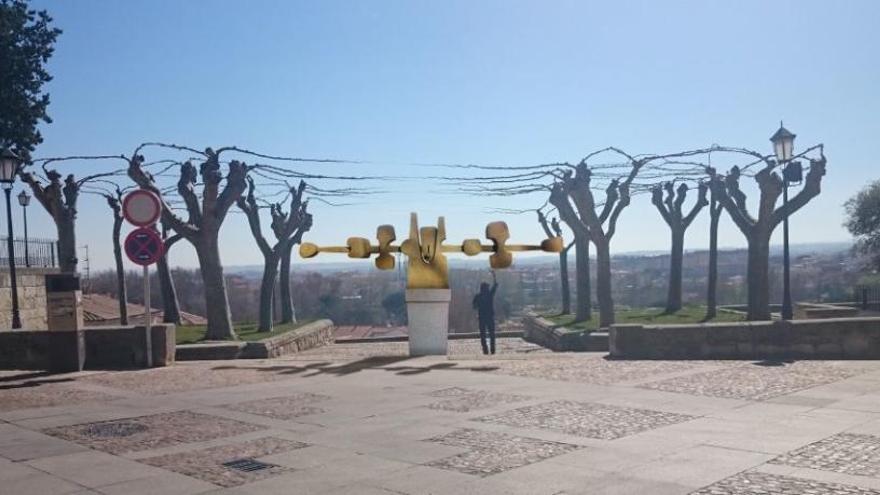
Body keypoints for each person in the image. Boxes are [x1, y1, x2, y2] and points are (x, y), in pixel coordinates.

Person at [472, 271, 498, 355]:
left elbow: (474, 307)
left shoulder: (478, 296)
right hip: (490, 317)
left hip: (482, 317)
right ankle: (492, 349)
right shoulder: (490, 294)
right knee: (492, 334)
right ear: (486, 288)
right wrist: (494, 276)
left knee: (483, 335)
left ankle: (485, 350)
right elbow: (495, 286)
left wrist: (478, 305)